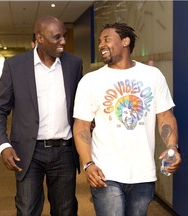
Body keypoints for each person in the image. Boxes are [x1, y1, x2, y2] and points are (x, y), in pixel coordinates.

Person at [73, 22, 181, 216]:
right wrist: (88, 163)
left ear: (125, 41)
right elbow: (81, 125)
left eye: (106, 39)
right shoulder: (90, 81)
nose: (101, 45)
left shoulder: (152, 76)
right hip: (105, 172)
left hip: (142, 172)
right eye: (99, 41)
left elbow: (165, 116)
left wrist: (172, 146)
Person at [0, 15, 82, 215]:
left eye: (64, 36)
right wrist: (3, 145)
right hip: (28, 152)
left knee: (65, 210)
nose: (63, 42)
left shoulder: (74, 64)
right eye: (57, 37)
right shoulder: (15, 65)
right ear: (39, 38)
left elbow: (79, 106)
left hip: (65, 152)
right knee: (27, 209)